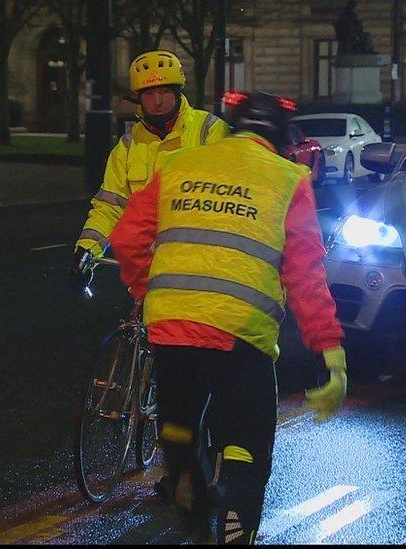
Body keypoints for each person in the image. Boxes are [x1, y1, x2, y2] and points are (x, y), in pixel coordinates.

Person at [108, 91, 348, 545]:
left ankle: (185, 476)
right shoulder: (288, 178)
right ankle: (237, 526)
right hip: (240, 332)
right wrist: (331, 353)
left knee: (180, 415)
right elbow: (305, 274)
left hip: (171, 323)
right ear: (280, 138)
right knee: (245, 438)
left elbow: (127, 238)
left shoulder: (179, 165)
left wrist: (147, 290)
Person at [68, 50, 229, 290]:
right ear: (139, 99)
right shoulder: (128, 145)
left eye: (164, 92)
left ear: (177, 92)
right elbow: (110, 207)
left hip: (203, 270)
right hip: (149, 273)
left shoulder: (209, 131)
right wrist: (86, 250)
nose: (158, 101)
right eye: (150, 93)